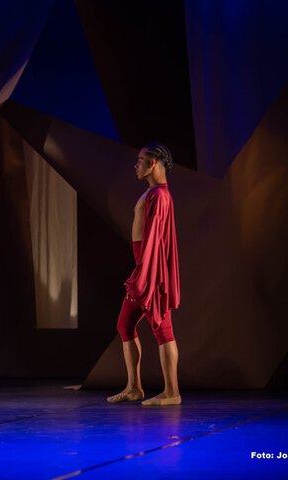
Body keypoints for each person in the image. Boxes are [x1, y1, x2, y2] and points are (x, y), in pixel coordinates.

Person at [107, 143, 181, 406]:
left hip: (151, 273)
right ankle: (134, 387)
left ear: (153, 164)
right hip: (144, 268)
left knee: (163, 329)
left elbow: (153, 242)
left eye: (140, 160)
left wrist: (143, 275)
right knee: (125, 325)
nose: (136, 165)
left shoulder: (159, 196)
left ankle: (172, 392)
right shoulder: (153, 194)